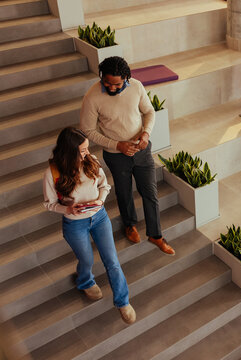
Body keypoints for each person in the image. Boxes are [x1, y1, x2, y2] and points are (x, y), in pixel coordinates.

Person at [80, 56, 174, 255]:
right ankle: (130, 225)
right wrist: (117, 145)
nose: (111, 88)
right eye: (107, 82)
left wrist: (146, 133)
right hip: (116, 155)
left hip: (142, 150)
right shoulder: (92, 96)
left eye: (116, 84)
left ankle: (155, 235)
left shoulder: (137, 87)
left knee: (150, 193)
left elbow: (149, 112)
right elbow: (88, 129)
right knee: (124, 193)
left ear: (127, 78)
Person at [43, 127, 136, 324]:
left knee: (112, 260)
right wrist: (68, 210)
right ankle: (85, 281)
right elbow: (49, 204)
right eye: (82, 150)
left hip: (99, 217)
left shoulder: (91, 160)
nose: (87, 152)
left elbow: (105, 185)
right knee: (86, 260)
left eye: (87, 148)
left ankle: (123, 302)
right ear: (69, 151)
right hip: (75, 224)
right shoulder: (53, 172)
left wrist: (101, 201)